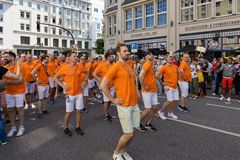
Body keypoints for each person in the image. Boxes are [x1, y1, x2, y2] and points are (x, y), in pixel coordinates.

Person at [101, 44, 140, 160]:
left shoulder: (128, 64)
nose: (127, 52)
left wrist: (137, 91)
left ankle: (123, 151)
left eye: (128, 50)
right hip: (124, 105)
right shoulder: (115, 67)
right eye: (124, 51)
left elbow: (132, 79)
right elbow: (103, 85)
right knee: (128, 134)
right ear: (118, 53)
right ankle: (116, 153)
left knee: (133, 131)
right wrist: (113, 99)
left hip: (134, 103)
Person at [54, 52, 86, 137]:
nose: (76, 58)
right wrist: (63, 85)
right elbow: (55, 77)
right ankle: (65, 128)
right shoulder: (65, 68)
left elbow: (86, 73)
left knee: (79, 111)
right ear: (69, 58)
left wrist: (84, 81)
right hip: (69, 94)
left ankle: (77, 127)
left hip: (79, 93)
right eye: (74, 56)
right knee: (69, 112)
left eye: (76, 56)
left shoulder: (80, 66)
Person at [3, 51, 26, 137]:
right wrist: (10, 81)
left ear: (12, 57)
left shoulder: (21, 65)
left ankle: (21, 127)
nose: (4, 58)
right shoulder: (4, 67)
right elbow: (3, 81)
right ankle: (13, 127)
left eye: (6, 56)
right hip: (9, 92)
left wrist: (8, 81)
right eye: (3, 56)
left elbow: (20, 80)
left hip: (19, 91)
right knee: (10, 109)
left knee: (19, 109)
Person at [138, 51, 159, 131]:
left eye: (152, 54)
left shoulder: (151, 64)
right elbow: (140, 76)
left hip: (153, 90)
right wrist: (143, 86)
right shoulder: (147, 64)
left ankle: (148, 123)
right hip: (147, 91)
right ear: (146, 56)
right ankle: (137, 123)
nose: (152, 55)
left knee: (155, 107)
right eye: (150, 55)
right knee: (147, 109)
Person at [93, 52, 115, 122]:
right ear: (108, 57)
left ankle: (106, 112)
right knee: (106, 101)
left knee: (110, 101)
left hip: (112, 86)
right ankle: (106, 115)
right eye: (112, 56)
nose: (113, 58)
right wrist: (99, 79)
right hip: (105, 86)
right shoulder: (102, 65)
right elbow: (94, 73)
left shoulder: (114, 65)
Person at [157, 54, 179, 120]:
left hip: (175, 86)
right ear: (166, 59)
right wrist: (163, 84)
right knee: (169, 101)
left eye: (172, 57)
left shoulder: (175, 66)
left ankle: (170, 113)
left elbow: (176, 75)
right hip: (168, 86)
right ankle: (161, 112)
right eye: (170, 57)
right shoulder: (164, 67)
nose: (171, 58)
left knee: (175, 101)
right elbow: (157, 76)